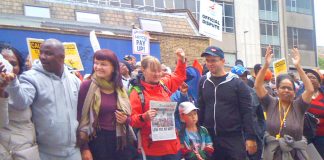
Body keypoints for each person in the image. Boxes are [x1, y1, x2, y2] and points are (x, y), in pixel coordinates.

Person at [3, 39, 81, 160]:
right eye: (41, 52)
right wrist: (13, 83)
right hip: (45, 153)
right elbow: (21, 102)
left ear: (62, 57)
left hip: (73, 151)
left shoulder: (74, 80)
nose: (42, 57)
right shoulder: (31, 77)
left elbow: (81, 110)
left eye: (48, 53)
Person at [254, 46, 314, 159]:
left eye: (289, 88)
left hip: (296, 154)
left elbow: (310, 90)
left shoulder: (299, 105)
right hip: (273, 153)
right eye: (283, 87)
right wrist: (266, 65)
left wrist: (298, 66)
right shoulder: (270, 103)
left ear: (294, 92)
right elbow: (257, 85)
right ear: (276, 89)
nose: (286, 90)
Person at [198, 46, 257, 160]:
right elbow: (201, 107)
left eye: (214, 60)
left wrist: (250, 137)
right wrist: (198, 132)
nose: (210, 63)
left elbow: (247, 112)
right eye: (207, 60)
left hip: (233, 139)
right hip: (209, 138)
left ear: (223, 61)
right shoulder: (203, 81)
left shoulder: (237, 84)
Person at [77, 49, 135, 160]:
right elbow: (80, 117)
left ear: (113, 68)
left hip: (119, 140)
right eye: (96, 63)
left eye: (103, 64)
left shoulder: (120, 88)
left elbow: (129, 118)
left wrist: (125, 120)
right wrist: (84, 148)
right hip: (96, 141)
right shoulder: (87, 86)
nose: (98, 67)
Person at [129, 48, 186, 159]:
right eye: (153, 71)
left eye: (159, 70)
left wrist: (181, 60)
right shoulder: (137, 92)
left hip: (171, 145)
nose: (157, 74)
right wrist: (144, 117)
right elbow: (131, 120)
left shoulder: (163, 84)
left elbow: (179, 76)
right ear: (143, 70)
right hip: (151, 149)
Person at [0, 45, 40, 159]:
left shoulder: (27, 85)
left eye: (13, 64)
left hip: (28, 152)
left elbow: (21, 102)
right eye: (4, 63)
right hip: (6, 152)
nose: (7, 67)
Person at [231, 65, 266, 160]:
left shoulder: (254, 93)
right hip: (237, 138)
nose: (243, 80)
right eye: (240, 78)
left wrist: (260, 131)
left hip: (255, 138)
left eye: (244, 77)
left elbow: (261, 116)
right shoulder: (227, 95)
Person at [304, 69, 324, 158]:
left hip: (321, 135)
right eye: (307, 77)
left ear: (319, 82)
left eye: (313, 77)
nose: (310, 79)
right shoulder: (299, 95)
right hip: (305, 136)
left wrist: (319, 121)